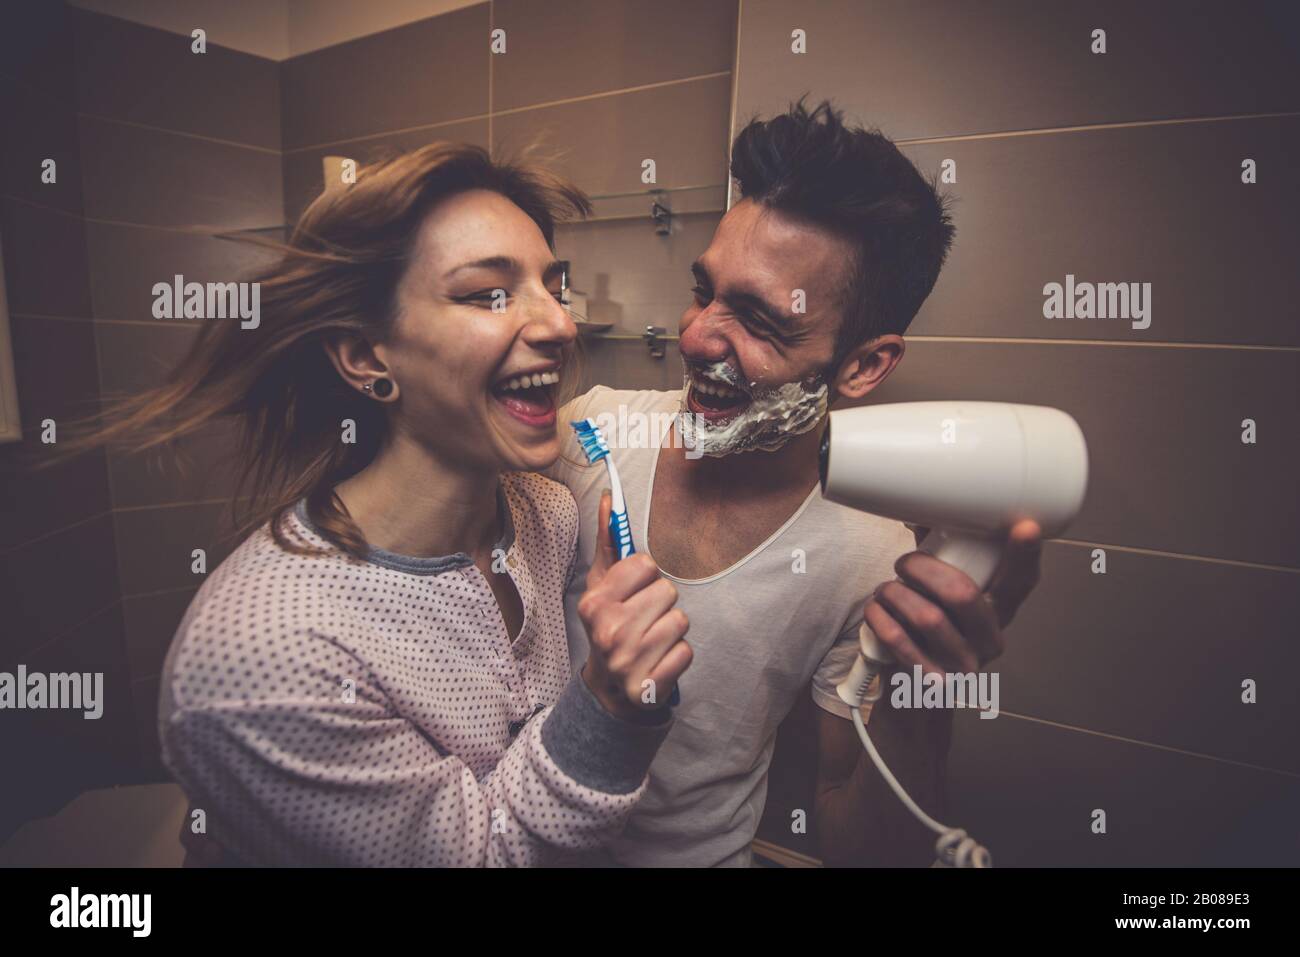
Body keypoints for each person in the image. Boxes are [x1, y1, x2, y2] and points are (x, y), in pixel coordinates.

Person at [57, 143, 692, 866]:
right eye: (488, 293)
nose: (558, 324)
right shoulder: (260, 655)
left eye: (554, 285)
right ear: (365, 356)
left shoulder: (547, 514)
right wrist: (608, 705)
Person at [545, 100, 1043, 866]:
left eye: (760, 320)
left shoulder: (870, 555)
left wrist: (922, 699)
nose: (696, 335)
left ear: (864, 364)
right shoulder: (589, 436)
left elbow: (861, 843)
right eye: (703, 289)